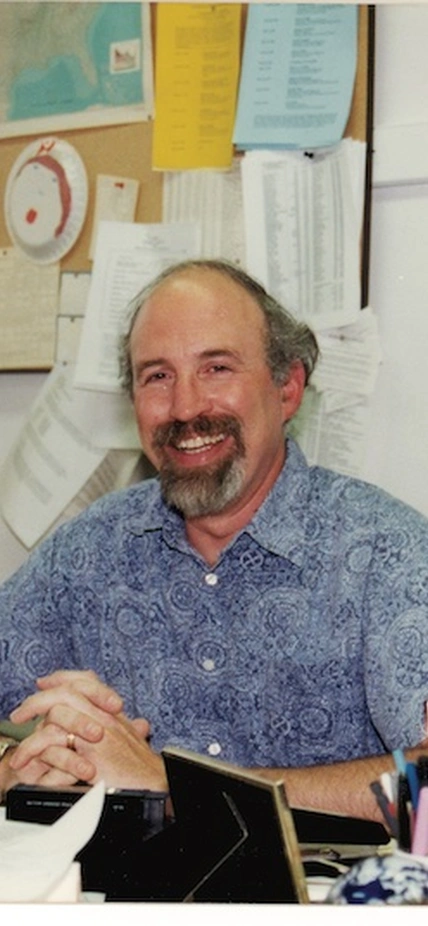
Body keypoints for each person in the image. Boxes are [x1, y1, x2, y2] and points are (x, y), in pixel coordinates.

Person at [1, 257, 428, 823]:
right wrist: (14, 768)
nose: (185, 408)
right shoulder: (86, 554)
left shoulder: (389, 555)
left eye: (217, 368)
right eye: (157, 375)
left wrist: (176, 787)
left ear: (288, 389)